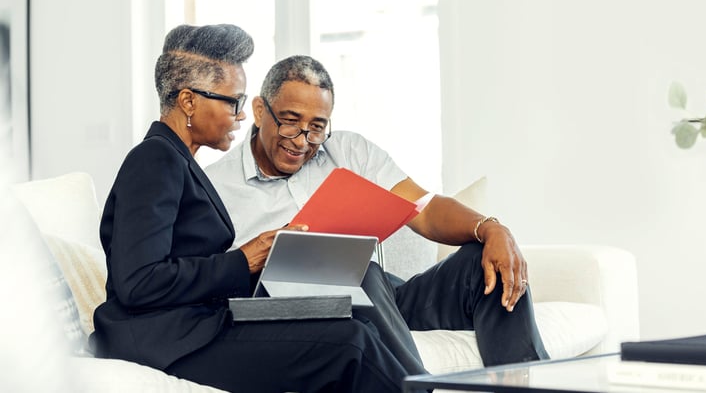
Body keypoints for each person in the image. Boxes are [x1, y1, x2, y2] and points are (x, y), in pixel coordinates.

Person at [90, 25, 421, 393]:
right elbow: (138, 282)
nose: (243, 115)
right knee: (350, 345)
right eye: (233, 101)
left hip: (198, 324)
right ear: (188, 101)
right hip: (165, 338)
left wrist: (271, 261)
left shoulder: (180, 162)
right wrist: (244, 260)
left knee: (354, 326)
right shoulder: (154, 159)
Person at [205, 55, 550, 373]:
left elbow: (426, 209)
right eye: (291, 122)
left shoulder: (350, 150)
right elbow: (211, 284)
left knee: (480, 262)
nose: (302, 141)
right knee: (353, 271)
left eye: (317, 127)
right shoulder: (216, 187)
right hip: (296, 315)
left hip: (377, 297)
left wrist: (491, 229)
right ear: (261, 110)